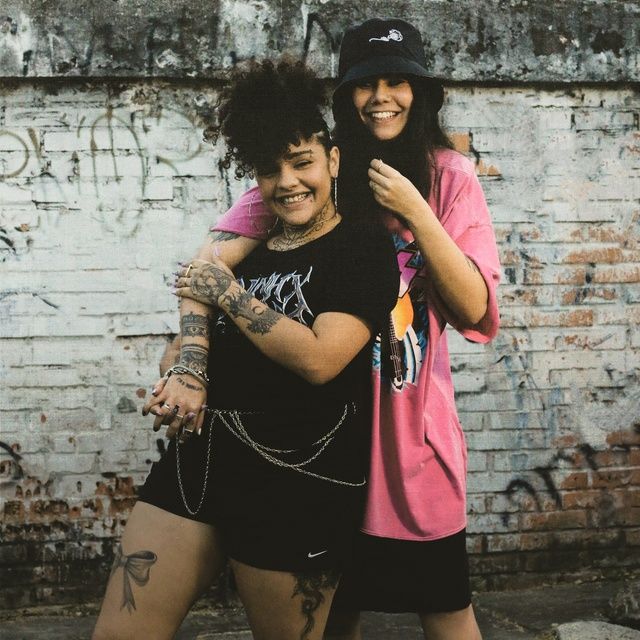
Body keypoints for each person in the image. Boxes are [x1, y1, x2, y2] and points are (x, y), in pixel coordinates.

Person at [202, 18, 502, 640]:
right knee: (334, 612)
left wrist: (415, 209)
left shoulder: (450, 176)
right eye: (366, 84)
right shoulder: (318, 167)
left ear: (421, 92)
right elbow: (213, 256)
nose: (381, 98)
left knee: (445, 606)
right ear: (345, 97)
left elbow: (474, 306)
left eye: (397, 82)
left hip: (410, 435)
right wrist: (190, 349)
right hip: (326, 436)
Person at [91, 59, 398, 640]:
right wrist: (186, 370)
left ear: (332, 160)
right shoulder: (248, 245)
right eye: (270, 169)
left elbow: (320, 360)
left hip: (297, 477)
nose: (288, 182)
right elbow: (187, 334)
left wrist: (227, 293)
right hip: (200, 462)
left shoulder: (362, 248)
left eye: (302, 162)